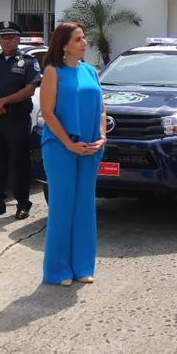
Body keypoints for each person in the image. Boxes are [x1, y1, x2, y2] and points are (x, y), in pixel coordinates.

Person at [39, 22, 107, 286]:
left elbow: (102, 109)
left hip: (90, 148)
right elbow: (47, 113)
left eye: (84, 38)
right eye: (78, 39)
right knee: (62, 206)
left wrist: (102, 136)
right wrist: (68, 143)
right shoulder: (52, 71)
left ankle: (82, 267)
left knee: (85, 207)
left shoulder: (91, 71)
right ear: (64, 44)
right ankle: (58, 271)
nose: (84, 43)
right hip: (60, 148)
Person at [0, 21, 42, 219]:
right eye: (3, 37)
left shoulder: (28, 61)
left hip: (16, 119)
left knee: (19, 163)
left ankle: (22, 204)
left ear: (18, 39)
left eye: (10, 37)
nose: (6, 41)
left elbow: (30, 89)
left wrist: (5, 101)